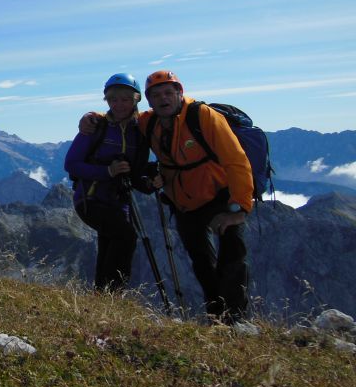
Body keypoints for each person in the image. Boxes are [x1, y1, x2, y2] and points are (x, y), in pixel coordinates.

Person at [82, 70, 254, 323]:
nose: (163, 99)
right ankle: (218, 319)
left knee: (232, 258)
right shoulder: (148, 121)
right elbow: (120, 115)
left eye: (168, 93)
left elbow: (236, 160)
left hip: (220, 196)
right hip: (184, 202)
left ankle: (236, 321)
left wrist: (239, 209)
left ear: (179, 93)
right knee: (202, 262)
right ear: (148, 101)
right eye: (156, 95)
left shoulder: (203, 116)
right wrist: (92, 117)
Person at [64, 73, 151, 293]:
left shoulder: (140, 130)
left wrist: (151, 181)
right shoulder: (96, 126)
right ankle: (114, 294)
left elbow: (137, 171)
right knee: (126, 236)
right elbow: (71, 164)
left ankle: (101, 296)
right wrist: (108, 172)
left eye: (125, 99)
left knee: (109, 242)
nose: (119, 104)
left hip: (119, 202)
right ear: (107, 101)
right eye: (113, 99)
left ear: (136, 100)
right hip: (90, 199)